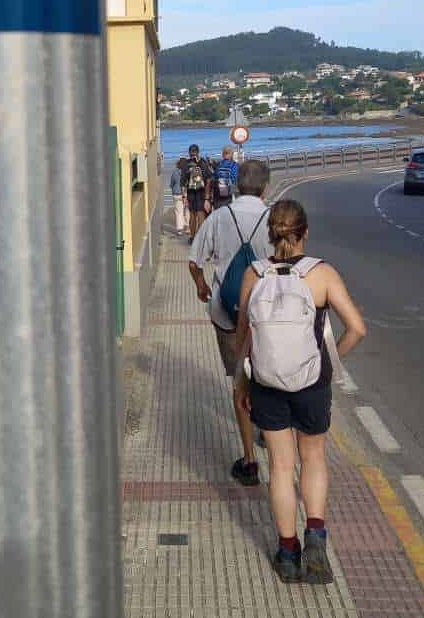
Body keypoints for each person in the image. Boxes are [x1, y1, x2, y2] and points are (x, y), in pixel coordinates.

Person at [235, 199, 366, 585]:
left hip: (266, 384)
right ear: (304, 232)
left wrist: (242, 382)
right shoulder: (321, 274)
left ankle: (287, 551)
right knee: (313, 459)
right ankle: (316, 537)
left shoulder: (253, 274)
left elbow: (245, 337)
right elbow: (357, 328)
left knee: (279, 466)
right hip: (312, 386)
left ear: (271, 234)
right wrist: (328, 363)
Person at [188, 159, 273, 487]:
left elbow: (194, 261)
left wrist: (201, 286)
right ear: (265, 187)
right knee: (266, 375)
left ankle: (249, 461)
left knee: (240, 383)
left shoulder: (221, 217)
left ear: (236, 185)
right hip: (265, 314)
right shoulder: (273, 218)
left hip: (227, 312)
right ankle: (268, 429)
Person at [181, 144, 212, 242]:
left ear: (189, 152)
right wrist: (207, 197)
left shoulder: (186, 164)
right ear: (198, 152)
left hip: (190, 193)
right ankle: (200, 238)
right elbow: (209, 180)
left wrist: (184, 196)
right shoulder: (203, 163)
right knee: (201, 215)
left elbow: (182, 182)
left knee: (192, 216)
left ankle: (193, 237)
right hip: (201, 192)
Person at [170, 158, 188, 234]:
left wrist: (173, 187)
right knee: (187, 210)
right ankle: (188, 227)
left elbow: (172, 183)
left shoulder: (175, 172)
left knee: (179, 211)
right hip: (186, 193)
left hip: (177, 194)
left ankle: (180, 229)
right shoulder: (188, 172)